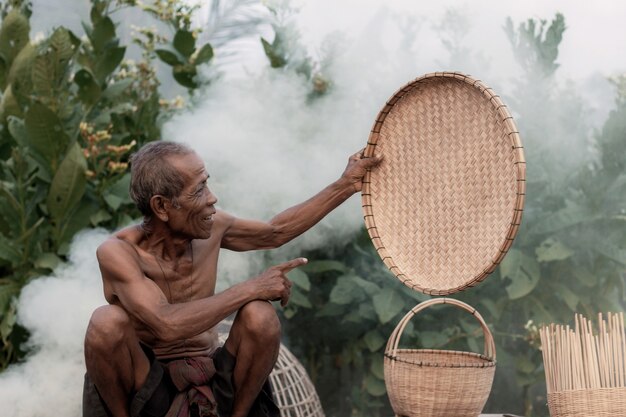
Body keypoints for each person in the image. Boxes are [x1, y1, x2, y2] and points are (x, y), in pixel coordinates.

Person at [82, 141, 380, 417]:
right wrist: (252, 287)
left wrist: (346, 185)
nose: (212, 198)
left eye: (207, 183)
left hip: (214, 380)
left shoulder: (213, 226)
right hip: (148, 391)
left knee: (260, 315)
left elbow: (275, 232)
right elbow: (165, 324)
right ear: (161, 207)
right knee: (105, 322)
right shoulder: (118, 252)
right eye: (198, 190)